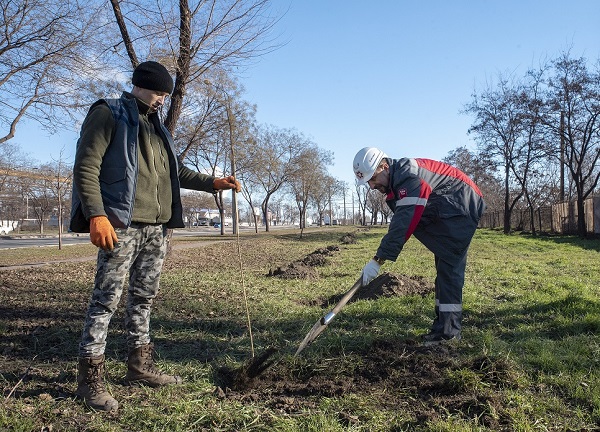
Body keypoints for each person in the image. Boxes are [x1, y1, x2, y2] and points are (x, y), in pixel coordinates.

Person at [69, 60, 241, 412]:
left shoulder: (157, 127)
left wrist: (213, 183)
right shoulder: (109, 114)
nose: (162, 99)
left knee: (144, 298)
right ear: (140, 85)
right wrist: (97, 215)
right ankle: (89, 381)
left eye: (166, 94)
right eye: (158, 92)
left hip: (157, 229)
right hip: (121, 225)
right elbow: (86, 165)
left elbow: (176, 172)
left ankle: (140, 367)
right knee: (106, 301)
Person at [353, 147, 485, 345]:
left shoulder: (410, 179)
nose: (372, 186)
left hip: (462, 204)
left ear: (384, 166)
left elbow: (403, 222)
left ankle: (448, 335)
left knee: (449, 267)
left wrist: (378, 260)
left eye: (373, 179)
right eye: (368, 182)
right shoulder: (399, 180)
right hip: (449, 205)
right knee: (444, 267)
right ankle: (443, 328)